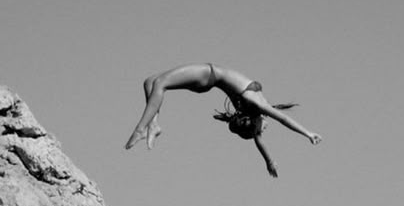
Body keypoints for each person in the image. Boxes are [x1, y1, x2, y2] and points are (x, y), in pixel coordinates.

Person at [125, 63, 321, 177]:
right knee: (149, 82)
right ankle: (153, 124)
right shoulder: (252, 110)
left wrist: (308, 134)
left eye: (260, 130)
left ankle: (142, 128)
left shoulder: (256, 104)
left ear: (254, 122)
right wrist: (269, 162)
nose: (264, 130)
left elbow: (284, 119)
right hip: (207, 80)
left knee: (159, 83)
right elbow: (259, 142)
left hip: (208, 74)